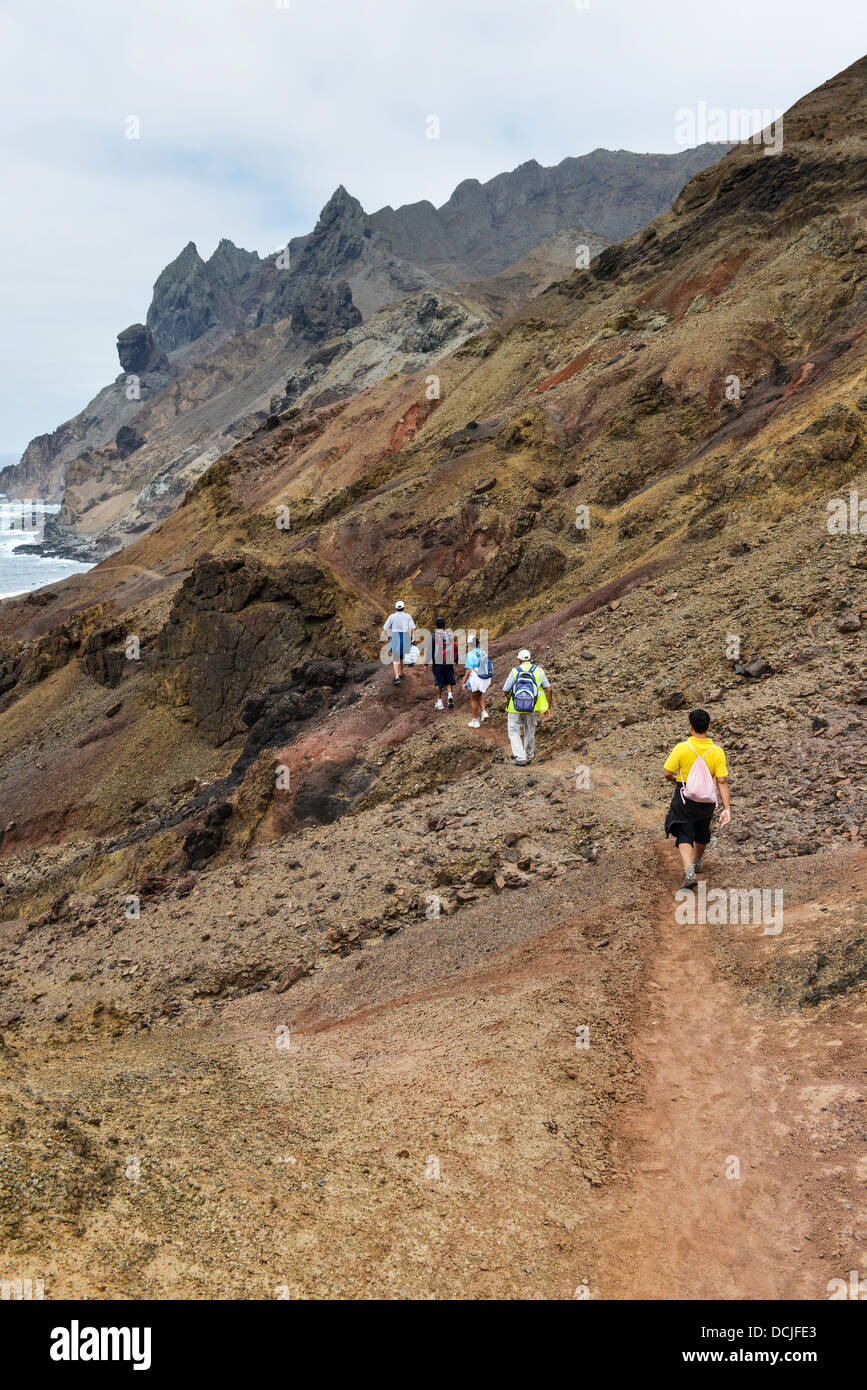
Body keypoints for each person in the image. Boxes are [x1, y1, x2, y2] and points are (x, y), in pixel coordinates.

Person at [663, 707, 731, 891]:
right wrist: (727, 808)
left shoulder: (682, 748)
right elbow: (722, 780)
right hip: (706, 799)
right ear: (708, 726)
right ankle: (698, 862)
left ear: (691, 727)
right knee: (702, 829)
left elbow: (667, 773)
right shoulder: (717, 752)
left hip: (685, 796)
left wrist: (674, 780)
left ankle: (689, 872)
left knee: (684, 831)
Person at [502, 648, 551, 763]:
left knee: (513, 730)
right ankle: (529, 756)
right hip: (532, 706)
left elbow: (505, 689)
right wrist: (548, 707)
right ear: (530, 659)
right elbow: (548, 689)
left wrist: (510, 699)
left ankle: (520, 756)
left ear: (519, 660)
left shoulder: (515, 671)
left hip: (515, 707)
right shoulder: (538, 670)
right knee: (530, 730)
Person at [425, 616, 457, 710]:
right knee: (448, 679)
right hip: (448, 661)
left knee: (438, 682)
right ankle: (450, 695)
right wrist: (455, 658)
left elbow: (430, 650)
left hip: (438, 662)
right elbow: (455, 647)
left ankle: (439, 702)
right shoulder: (450, 635)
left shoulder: (434, 637)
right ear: (444, 625)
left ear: (436, 626)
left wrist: (426, 663)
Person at [382, 601, 415, 684]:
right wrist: (413, 639)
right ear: (404, 608)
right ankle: (401, 673)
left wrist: (388, 636)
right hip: (405, 636)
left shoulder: (392, 617)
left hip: (395, 636)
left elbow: (385, 628)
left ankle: (397, 677)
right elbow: (413, 628)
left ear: (396, 608)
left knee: (396, 658)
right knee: (401, 657)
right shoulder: (408, 616)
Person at [462, 637, 493, 728]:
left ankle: (475, 721)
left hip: (476, 679)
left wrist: (464, 682)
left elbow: (469, 670)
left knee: (474, 698)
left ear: (469, 644)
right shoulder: (483, 651)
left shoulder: (470, 654)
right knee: (479, 694)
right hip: (485, 678)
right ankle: (484, 712)